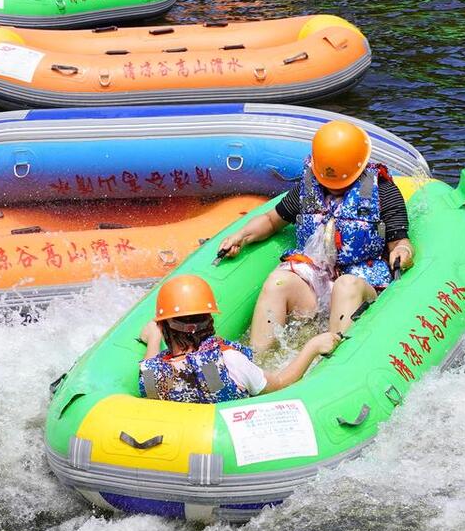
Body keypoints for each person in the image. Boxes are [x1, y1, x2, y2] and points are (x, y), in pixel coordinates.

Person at [217, 120, 414, 353]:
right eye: (328, 182)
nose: (333, 188)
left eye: (341, 182)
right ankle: (258, 365)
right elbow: (271, 220)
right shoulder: (308, 189)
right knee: (277, 283)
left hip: (360, 285)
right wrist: (241, 236)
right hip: (316, 282)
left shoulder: (382, 191)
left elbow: (399, 241)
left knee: (345, 285)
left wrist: (403, 252)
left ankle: (332, 366)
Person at [138, 274, 340, 404]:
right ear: (209, 321)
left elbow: (151, 362)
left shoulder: (151, 375)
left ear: (162, 326)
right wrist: (312, 347)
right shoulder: (230, 361)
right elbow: (280, 383)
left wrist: (154, 340)